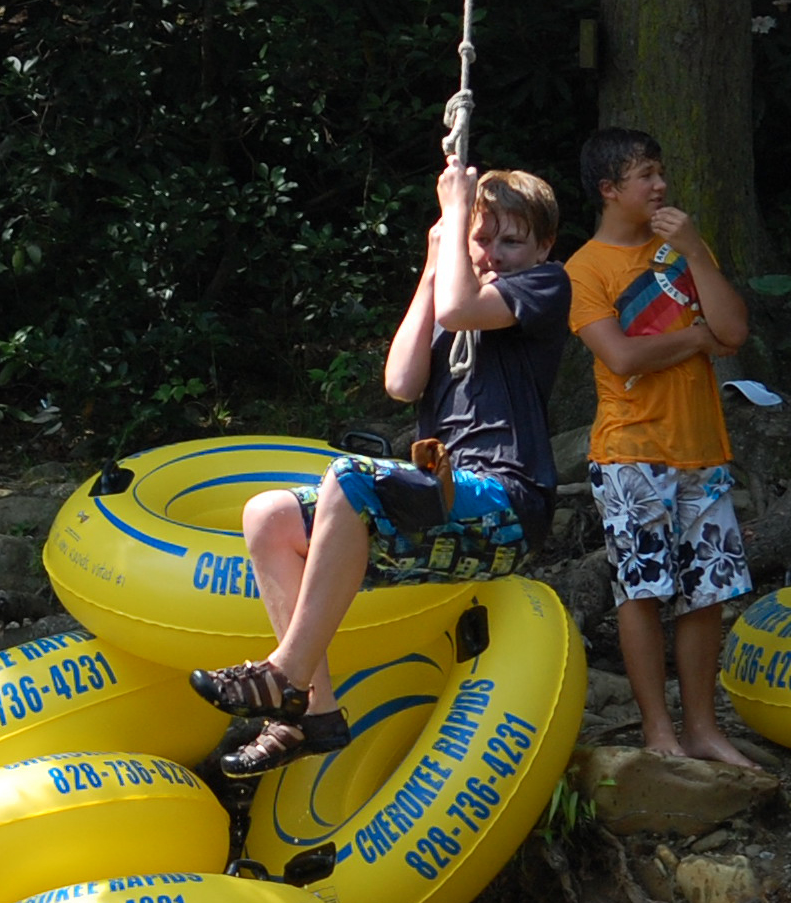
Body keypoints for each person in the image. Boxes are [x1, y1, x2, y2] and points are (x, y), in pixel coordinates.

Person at [192, 159, 570, 777]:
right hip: (446, 501)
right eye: (481, 238)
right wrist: (432, 262)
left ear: (543, 247)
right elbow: (400, 382)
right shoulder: (453, 293)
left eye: (511, 240)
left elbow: (459, 310)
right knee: (268, 516)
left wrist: (456, 214)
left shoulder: (543, 287)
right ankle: (313, 711)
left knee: (349, 475)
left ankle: (283, 674)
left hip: (506, 502)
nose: (493, 253)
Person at [566, 127, 758, 767]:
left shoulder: (679, 253)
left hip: (701, 444)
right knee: (642, 590)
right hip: (629, 451)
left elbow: (732, 332)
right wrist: (695, 339)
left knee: (706, 592)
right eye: (645, 175)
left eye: (660, 172)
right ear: (610, 189)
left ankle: (704, 729)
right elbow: (621, 356)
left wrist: (697, 252)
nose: (660, 185)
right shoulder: (584, 269)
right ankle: (659, 732)